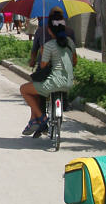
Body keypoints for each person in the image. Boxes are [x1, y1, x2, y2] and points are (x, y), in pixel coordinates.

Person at [19, 8, 77, 137]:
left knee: (25, 89)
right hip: (68, 82)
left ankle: (41, 118)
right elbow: (74, 61)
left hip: (52, 81)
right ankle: (36, 119)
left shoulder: (48, 43)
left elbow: (43, 64)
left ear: (50, 29)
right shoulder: (70, 41)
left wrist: (43, 53)